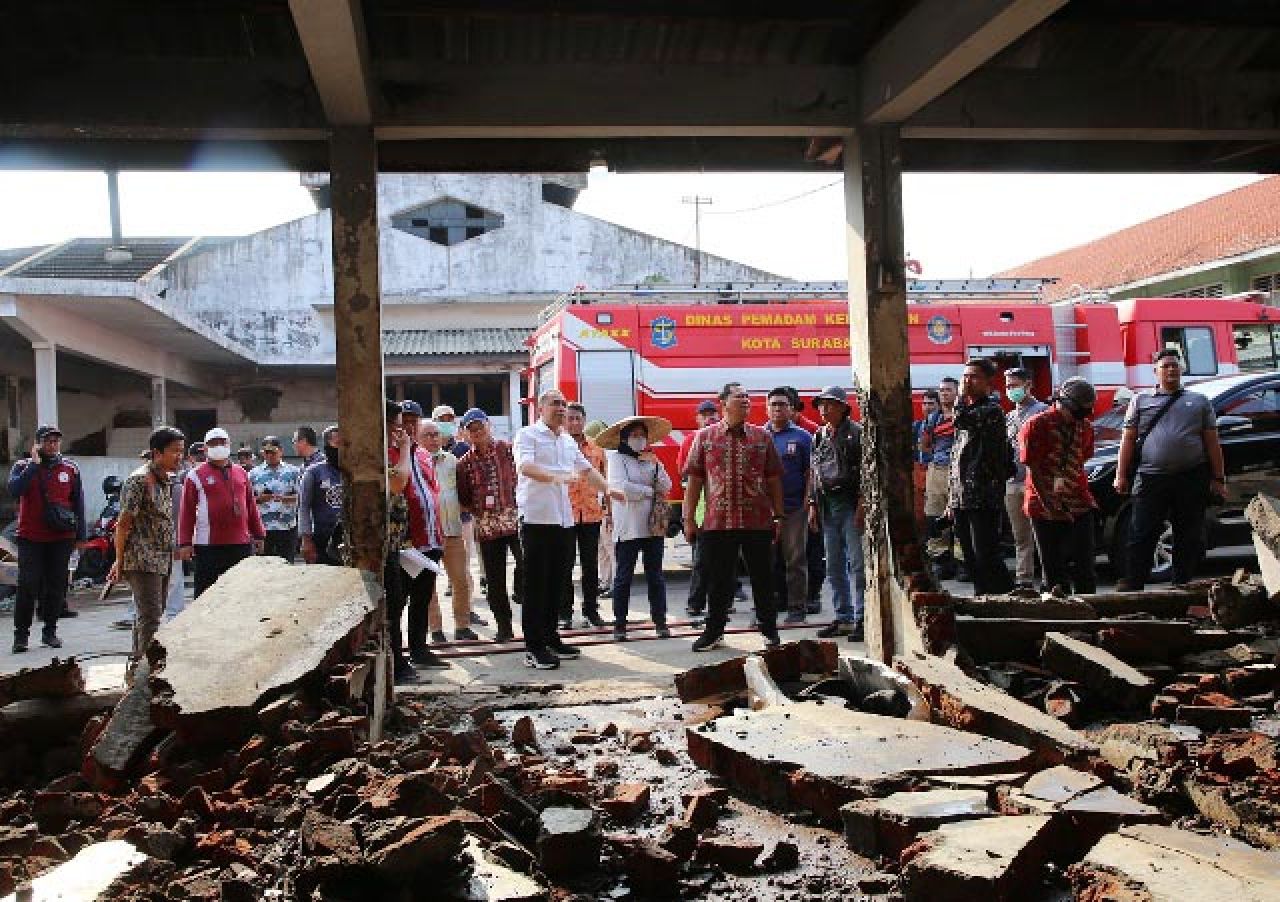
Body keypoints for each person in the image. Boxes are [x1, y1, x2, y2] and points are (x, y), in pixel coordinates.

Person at [683, 382, 785, 651]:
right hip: (718, 521)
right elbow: (694, 481)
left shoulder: (762, 438)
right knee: (719, 581)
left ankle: (769, 630)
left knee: (764, 578)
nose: (746, 401)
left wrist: (779, 517)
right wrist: (689, 519)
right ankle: (714, 631)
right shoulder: (704, 438)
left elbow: (773, 478)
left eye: (748, 398)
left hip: (758, 521)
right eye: (740, 397)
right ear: (723, 403)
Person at [512, 390, 610, 670]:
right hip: (536, 520)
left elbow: (587, 470)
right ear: (541, 408)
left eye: (564, 404)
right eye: (555, 403)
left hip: (563, 521)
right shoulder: (528, 435)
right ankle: (533, 647)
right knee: (536, 586)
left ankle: (551, 637)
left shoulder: (567, 440)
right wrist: (556, 477)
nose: (561, 408)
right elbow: (525, 467)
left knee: (557, 582)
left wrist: (610, 489)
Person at [1114, 348, 1226, 589]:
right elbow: (1128, 440)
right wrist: (1120, 475)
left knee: (1188, 535)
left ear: (1181, 369)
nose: (1171, 370)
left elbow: (1212, 442)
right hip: (1151, 478)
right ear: (1156, 372)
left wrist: (1218, 478)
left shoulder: (1199, 401)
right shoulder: (1140, 401)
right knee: (1141, 534)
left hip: (1191, 477)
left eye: (1175, 365)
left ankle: (1181, 587)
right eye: (1165, 366)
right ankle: (1134, 587)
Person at [109, 427, 185, 682]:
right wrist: (119, 561)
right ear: (157, 453)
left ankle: (137, 666)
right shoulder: (139, 480)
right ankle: (146, 676)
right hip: (142, 561)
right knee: (151, 618)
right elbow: (123, 523)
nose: (179, 457)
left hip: (161, 559)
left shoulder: (165, 479)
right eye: (174, 451)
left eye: (181, 451)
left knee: (149, 615)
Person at [8, 424, 87, 652]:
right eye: (47, 441)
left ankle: (50, 631)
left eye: (55, 441)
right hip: (30, 537)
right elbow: (15, 490)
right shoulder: (23, 467)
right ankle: (20, 636)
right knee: (28, 585)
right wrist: (34, 465)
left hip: (61, 537)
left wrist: (81, 537)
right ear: (38, 443)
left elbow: (78, 504)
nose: (52, 445)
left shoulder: (70, 469)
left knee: (55, 586)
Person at [598, 416, 673, 640]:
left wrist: (655, 465)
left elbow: (667, 485)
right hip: (627, 526)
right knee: (623, 577)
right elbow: (621, 488)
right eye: (634, 435)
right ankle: (619, 625)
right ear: (624, 438)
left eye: (642, 436)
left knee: (656, 576)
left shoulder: (651, 459)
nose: (639, 440)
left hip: (652, 527)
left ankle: (660, 621)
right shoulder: (616, 458)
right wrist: (649, 491)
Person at [1022, 377, 1099, 595]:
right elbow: (1033, 468)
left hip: (1079, 501)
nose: (1081, 418)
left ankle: (1091, 618)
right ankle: (1058, 617)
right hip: (1042, 503)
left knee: (1086, 567)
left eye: (1086, 413)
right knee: (1053, 570)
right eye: (1078, 412)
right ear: (1063, 402)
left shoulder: (1085, 427)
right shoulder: (1037, 424)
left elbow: (1082, 458)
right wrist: (1049, 503)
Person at [946, 359, 1015, 596]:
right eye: (965, 376)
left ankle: (1007, 597)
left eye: (973, 376)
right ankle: (983, 597)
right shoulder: (970, 410)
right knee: (969, 556)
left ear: (988, 382)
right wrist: (951, 498)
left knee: (986, 554)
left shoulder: (991, 410)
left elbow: (960, 419)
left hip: (983, 495)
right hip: (962, 496)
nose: (967, 381)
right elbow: (957, 457)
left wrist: (959, 398)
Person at [455, 408, 520, 644]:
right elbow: (463, 498)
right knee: (494, 582)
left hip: (515, 520)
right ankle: (504, 627)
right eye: (471, 429)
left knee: (526, 567)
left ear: (488, 426)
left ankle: (531, 612)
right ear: (466, 433)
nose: (477, 432)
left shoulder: (507, 449)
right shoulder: (464, 464)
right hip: (486, 527)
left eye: (480, 426)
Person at [177, 427, 266, 598]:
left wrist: (259, 534)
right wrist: (185, 542)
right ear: (205, 447)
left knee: (240, 595)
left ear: (229, 444)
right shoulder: (194, 476)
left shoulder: (242, 473)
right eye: (213, 443)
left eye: (222, 442)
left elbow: (251, 505)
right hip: (207, 546)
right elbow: (186, 511)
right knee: (205, 595)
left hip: (240, 543)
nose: (218, 446)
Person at [808, 386, 866, 640]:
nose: (824, 409)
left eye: (829, 404)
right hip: (827, 507)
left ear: (843, 406)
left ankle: (864, 618)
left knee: (859, 566)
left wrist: (863, 505)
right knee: (833, 566)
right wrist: (812, 504)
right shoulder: (819, 435)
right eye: (821, 405)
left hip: (851, 505)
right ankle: (843, 617)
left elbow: (868, 472)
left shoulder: (857, 433)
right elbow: (815, 472)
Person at [419, 420, 476, 643]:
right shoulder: (415, 461)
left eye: (436, 434)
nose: (434, 438)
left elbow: (464, 491)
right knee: (428, 586)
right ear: (418, 438)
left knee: (460, 581)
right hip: (427, 534)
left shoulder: (453, 461)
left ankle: (462, 626)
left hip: (453, 531)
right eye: (428, 435)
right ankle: (436, 630)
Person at [765, 388, 813, 624]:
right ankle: (767, 610)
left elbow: (809, 473)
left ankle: (797, 610)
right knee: (765, 562)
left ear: (791, 408)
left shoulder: (803, 437)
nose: (777, 409)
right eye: (773, 404)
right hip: (764, 511)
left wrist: (808, 502)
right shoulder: (757, 436)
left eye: (782, 405)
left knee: (795, 560)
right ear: (767, 408)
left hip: (794, 508)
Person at [380, 401, 421, 683]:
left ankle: (396, 661)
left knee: (396, 602)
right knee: (390, 605)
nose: (399, 434)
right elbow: (398, 482)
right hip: (378, 544)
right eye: (395, 428)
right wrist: (405, 449)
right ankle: (393, 665)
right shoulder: (374, 454)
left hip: (394, 543)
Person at [561, 403, 608, 629]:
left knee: (590, 566)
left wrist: (608, 509)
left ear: (584, 420)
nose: (574, 423)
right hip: (565, 514)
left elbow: (605, 479)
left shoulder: (597, 449)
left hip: (591, 514)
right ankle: (564, 613)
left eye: (578, 418)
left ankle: (591, 610)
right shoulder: (559, 447)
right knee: (565, 565)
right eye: (570, 418)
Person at [1003, 368, 1048, 587]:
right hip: (1013, 482)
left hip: (1036, 482)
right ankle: (1024, 580)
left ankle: (1050, 577)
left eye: (1015, 385)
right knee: (1021, 536)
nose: (1011, 390)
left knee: (1042, 533)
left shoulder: (1043, 412)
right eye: (1008, 386)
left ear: (1028, 385)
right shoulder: (1009, 417)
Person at [677, 399, 720, 618]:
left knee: (725, 563)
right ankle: (695, 603)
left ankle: (723, 603)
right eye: (705, 415)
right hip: (703, 512)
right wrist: (689, 517)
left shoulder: (726, 438)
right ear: (698, 418)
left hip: (725, 513)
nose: (710, 418)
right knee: (701, 561)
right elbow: (686, 478)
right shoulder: (690, 441)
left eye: (713, 414)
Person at [250, 436, 301, 562]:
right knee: (264, 567)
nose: (270, 455)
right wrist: (260, 499)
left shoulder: (294, 472)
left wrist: (285, 499)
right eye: (266, 452)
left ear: (281, 451)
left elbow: (302, 498)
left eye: (273, 452)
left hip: (287, 527)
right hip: (264, 528)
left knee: (287, 565)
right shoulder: (253, 474)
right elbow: (247, 501)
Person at [299, 425, 343, 565]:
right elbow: (303, 507)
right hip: (321, 538)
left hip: (347, 539)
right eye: (335, 443)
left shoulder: (354, 473)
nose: (339, 448)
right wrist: (306, 540)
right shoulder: (314, 472)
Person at [584, 419, 614, 599]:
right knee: (602, 547)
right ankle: (605, 581)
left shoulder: (606, 455)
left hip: (606, 505)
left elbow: (607, 483)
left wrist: (609, 510)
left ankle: (615, 583)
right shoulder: (594, 453)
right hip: (597, 506)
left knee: (610, 546)